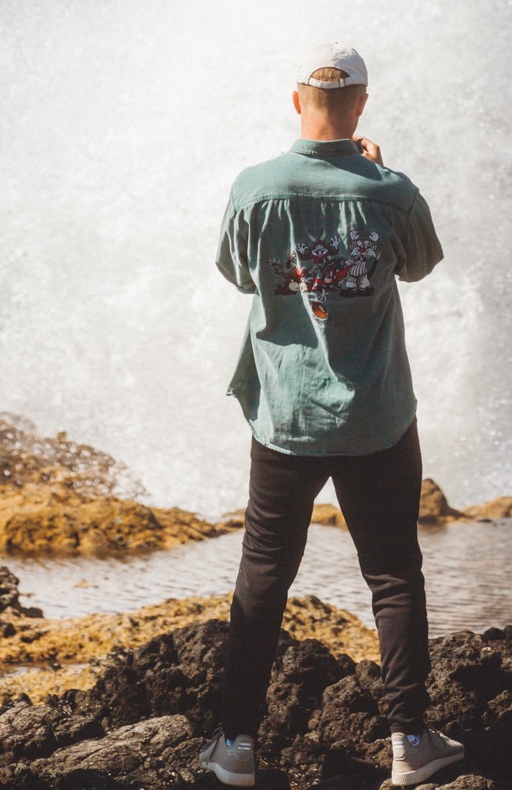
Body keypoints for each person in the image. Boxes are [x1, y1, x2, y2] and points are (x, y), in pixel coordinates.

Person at [200, 42, 464, 788]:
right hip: (377, 415)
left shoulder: (256, 188)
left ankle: (236, 747)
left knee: (263, 577)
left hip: (284, 416)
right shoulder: (392, 191)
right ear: (362, 106)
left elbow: (234, 271)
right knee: (393, 575)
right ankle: (410, 742)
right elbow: (419, 265)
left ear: (295, 101)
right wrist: (374, 174)